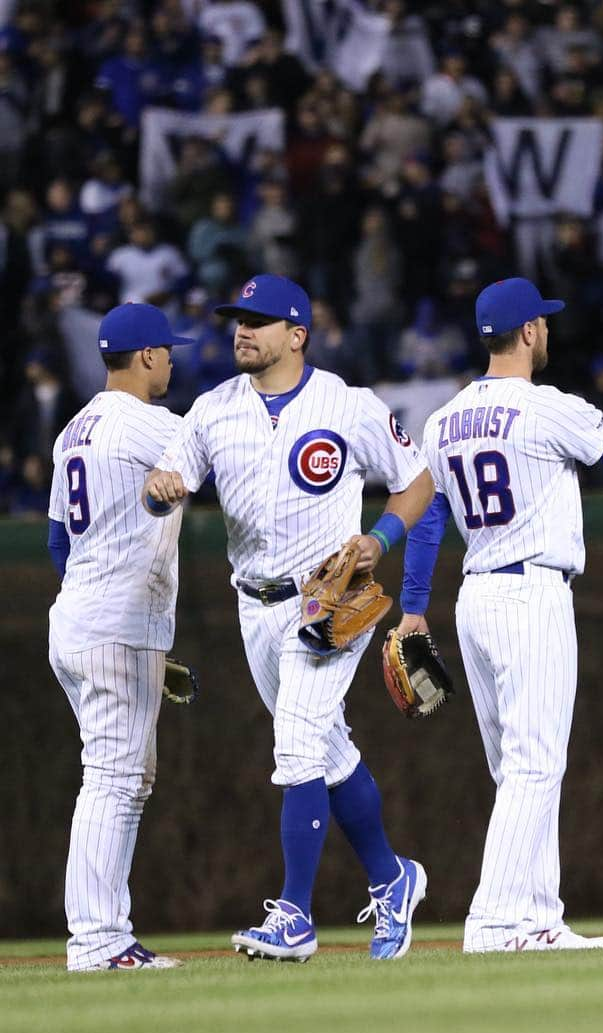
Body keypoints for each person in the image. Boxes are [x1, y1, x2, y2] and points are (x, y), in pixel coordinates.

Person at [143, 274, 435, 962]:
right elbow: (168, 482)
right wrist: (160, 493)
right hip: (254, 606)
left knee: (298, 745)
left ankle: (295, 917)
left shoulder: (345, 403)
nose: (241, 329)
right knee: (326, 751)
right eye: (237, 319)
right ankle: (394, 880)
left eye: (258, 319)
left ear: (297, 334)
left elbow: (417, 479)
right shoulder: (213, 410)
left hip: (329, 603)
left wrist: (380, 539)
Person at [394, 278, 603, 952]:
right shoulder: (544, 408)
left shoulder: (444, 419)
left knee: (519, 768)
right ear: (527, 333)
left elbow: (429, 519)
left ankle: (537, 917)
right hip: (531, 595)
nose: (546, 331)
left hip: (475, 601)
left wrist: (411, 610)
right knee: (534, 765)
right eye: (542, 324)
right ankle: (494, 920)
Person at [48, 303, 194, 971]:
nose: (170, 360)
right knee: (112, 778)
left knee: (125, 777)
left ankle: (107, 934)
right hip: (115, 621)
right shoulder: (152, 424)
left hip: (78, 619)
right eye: (165, 351)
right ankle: (98, 940)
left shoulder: (73, 429)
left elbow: (56, 542)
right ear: (145, 358)